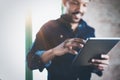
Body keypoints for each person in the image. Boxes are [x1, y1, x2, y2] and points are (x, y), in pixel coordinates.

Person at [27, 0, 109, 80]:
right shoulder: (48, 27)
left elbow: (91, 66)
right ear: (64, 2)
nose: (80, 9)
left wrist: (98, 65)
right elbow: (31, 62)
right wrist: (53, 51)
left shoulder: (90, 31)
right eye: (75, 3)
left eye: (85, 5)